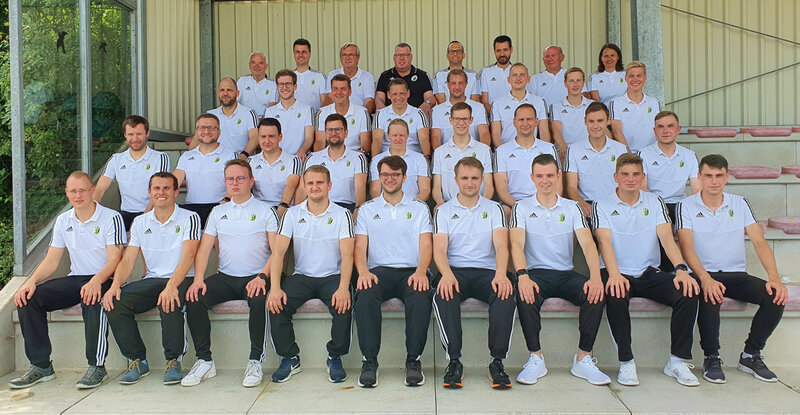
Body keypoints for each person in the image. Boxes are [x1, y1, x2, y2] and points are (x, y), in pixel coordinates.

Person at [676, 154, 787, 384]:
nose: (714, 181)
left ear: (727, 176)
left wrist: (774, 277)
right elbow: (686, 247)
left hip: (736, 274)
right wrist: (705, 278)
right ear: (699, 177)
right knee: (709, 293)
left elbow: (759, 242)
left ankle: (750, 355)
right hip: (702, 273)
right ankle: (712, 357)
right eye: (708, 176)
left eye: (719, 176)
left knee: (775, 296)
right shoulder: (685, 206)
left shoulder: (740, 202)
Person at [593, 153, 700, 387]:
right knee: (616, 294)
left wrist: (681, 269)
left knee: (688, 291)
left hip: (648, 272)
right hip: (616, 271)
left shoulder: (655, 201)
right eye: (625, 174)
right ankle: (626, 362)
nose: (630, 179)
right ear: (615, 177)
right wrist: (614, 275)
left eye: (636, 174)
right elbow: (604, 242)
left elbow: (667, 238)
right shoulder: (602, 204)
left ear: (643, 177)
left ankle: (677, 361)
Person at [11, 171, 125, 390]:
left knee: (92, 298)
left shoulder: (111, 217)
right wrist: (31, 281)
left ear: (93, 191)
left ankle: (97, 366)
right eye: (73, 191)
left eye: (83, 190)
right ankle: (41, 365)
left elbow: (115, 259)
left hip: (105, 278)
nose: (78, 195)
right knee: (29, 298)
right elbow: (52, 260)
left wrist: (96, 280)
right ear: (66, 193)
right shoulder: (63, 220)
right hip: (76, 279)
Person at [511, 154, 610, 386]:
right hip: (535, 273)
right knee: (525, 294)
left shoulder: (572, 207)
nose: (545, 180)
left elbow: (588, 244)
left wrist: (596, 277)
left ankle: (583, 359)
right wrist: (522, 275)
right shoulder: (521, 207)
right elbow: (516, 243)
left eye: (549, 175)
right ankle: (536, 358)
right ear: (532, 178)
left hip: (565, 273)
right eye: (539, 176)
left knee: (595, 293)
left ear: (558, 176)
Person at [183, 159, 279, 388]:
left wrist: (262, 277)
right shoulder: (218, 212)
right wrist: (198, 279)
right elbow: (204, 250)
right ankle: (205, 361)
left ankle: (255, 361)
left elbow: (278, 252)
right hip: (226, 277)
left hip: (256, 276)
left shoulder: (266, 211)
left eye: (240, 178)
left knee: (259, 301)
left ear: (251, 181)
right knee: (194, 297)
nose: (235, 183)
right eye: (230, 179)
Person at [103, 172, 201, 385]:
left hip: (182, 278)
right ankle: (138, 360)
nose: (161, 192)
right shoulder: (140, 222)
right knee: (115, 302)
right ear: (149, 192)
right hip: (153, 278)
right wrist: (115, 285)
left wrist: (172, 285)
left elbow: (189, 255)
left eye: (166, 188)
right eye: (156, 188)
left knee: (169, 300)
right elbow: (128, 260)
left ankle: (173, 360)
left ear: (176, 191)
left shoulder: (190, 217)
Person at [432, 157, 515, 389]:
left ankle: (497, 362)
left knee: (505, 293)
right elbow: (439, 249)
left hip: (487, 271)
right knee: (444, 293)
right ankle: (454, 362)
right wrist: (446, 274)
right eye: (465, 178)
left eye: (475, 178)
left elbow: (501, 245)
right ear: (456, 180)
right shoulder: (443, 211)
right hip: (454, 271)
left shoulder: (495, 209)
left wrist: (501, 274)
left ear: (482, 180)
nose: (470, 183)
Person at [267, 165, 355, 383]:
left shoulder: (343, 214)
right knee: (276, 304)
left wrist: (343, 288)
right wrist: (275, 288)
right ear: (304, 187)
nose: (315, 187)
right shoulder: (292, 214)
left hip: (332, 275)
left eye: (320, 182)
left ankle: (335, 356)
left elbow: (348, 255)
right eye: (310, 183)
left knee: (344, 304)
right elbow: (278, 252)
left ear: (329, 185)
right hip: (302, 276)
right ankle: (290, 357)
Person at [354, 155, 434, 388]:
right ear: (379, 177)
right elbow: (359, 247)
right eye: (385, 174)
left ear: (404, 177)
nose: (390, 179)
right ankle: (369, 361)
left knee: (420, 296)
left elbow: (426, 244)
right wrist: (363, 272)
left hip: (411, 271)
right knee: (365, 295)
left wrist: (422, 271)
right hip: (378, 272)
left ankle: (413, 360)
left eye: (395, 175)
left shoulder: (419, 208)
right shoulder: (367, 209)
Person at [639, 110, 701, 272]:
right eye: (660, 127)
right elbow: (642, 187)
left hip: (680, 204)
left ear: (678, 129)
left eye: (670, 126)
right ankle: (670, 270)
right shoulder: (643, 154)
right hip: (653, 203)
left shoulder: (689, 155)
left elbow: (697, 190)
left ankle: (695, 269)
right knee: (661, 222)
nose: (665, 131)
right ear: (655, 131)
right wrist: (659, 205)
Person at [94, 115, 170, 231]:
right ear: (125, 135)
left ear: (147, 133)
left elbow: (160, 192)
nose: (135, 139)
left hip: (153, 214)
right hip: (126, 215)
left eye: (139, 134)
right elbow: (99, 190)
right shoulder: (116, 159)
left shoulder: (160, 158)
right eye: (130, 134)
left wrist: (141, 221)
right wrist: (90, 214)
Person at [564, 102, 629, 218]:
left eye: (600, 121)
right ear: (585, 121)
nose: (595, 126)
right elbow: (571, 187)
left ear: (608, 121)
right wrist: (583, 204)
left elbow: (626, 183)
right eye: (591, 121)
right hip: (587, 206)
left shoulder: (621, 149)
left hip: (616, 204)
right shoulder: (573, 150)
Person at [494, 104, 561, 216]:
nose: (525, 123)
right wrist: (521, 208)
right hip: (514, 204)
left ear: (536, 121)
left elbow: (558, 184)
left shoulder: (549, 148)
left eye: (529, 119)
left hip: (545, 203)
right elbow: (502, 191)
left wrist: (544, 205)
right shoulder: (502, 151)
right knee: (504, 211)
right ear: (514, 122)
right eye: (521, 120)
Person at [173, 114, 238, 227]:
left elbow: (235, 184)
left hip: (220, 208)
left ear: (219, 132)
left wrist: (226, 201)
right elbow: (173, 183)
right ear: (197, 132)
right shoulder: (186, 157)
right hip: (191, 210)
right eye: (202, 128)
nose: (206, 131)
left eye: (211, 128)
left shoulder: (231, 155)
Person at [432, 102, 493, 205]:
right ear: (450, 120)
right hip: (448, 206)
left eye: (465, 119)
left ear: (471, 120)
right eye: (457, 119)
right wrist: (440, 203)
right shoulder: (439, 152)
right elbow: (437, 187)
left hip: (478, 206)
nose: (461, 123)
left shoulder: (485, 150)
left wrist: (481, 206)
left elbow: (489, 186)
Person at [305, 114, 369, 212]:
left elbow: (360, 190)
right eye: (330, 130)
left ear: (346, 133)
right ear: (325, 133)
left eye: (338, 129)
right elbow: (302, 189)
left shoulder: (358, 158)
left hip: (347, 208)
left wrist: (356, 212)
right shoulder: (313, 158)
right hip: (318, 208)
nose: (333, 133)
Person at [249, 118, 303, 218]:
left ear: (280, 137)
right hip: (257, 212)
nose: (267, 141)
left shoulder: (294, 160)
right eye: (263, 136)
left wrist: (281, 210)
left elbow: (291, 186)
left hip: (283, 210)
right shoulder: (251, 161)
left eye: (271, 136)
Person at [195, 77, 260, 156]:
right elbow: (196, 141)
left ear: (237, 93)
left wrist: (243, 156)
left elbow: (255, 138)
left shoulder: (249, 113)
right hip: (214, 160)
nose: (225, 93)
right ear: (218, 93)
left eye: (229, 90)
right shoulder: (210, 115)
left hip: (240, 161)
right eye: (222, 90)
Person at [370, 119, 430, 201]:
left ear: (408, 136)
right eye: (394, 135)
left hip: (413, 206)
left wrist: (410, 206)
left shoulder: (420, 159)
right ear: (388, 136)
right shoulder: (376, 160)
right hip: (385, 207)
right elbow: (375, 192)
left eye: (402, 135)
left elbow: (425, 191)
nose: (398, 139)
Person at [490, 63, 549, 147]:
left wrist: (543, 151)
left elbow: (544, 132)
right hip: (507, 151)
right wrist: (503, 152)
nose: (518, 78)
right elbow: (496, 134)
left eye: (522, 75)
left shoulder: (539, 102)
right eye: (514, 75)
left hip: (533, 150)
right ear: (508, 80)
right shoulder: (497, 103)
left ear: (528, 79)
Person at [262, 69, 315, 159]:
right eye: (281, 84)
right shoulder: (270, 112)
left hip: (298, 158)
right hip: (277, 159)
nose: (284, 87)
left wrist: (301, 151)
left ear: (295, 86)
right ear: (277, 87)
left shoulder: (307, 110)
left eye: (288, 84)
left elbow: (309, 138)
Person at [430, 69, 490, 148]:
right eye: (453, 83)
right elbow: (435, 138)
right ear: (448, 85)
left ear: (466, 84)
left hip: (473, 153)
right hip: (447, 154)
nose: (457, 87)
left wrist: (482, 152)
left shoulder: (479, 108)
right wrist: (442, 154)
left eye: (460, 83)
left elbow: (484, 134)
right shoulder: (437, 111)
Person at [372, 78, 431, 157]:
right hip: (387, 159)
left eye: (402, 93)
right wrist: (374, 161)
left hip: (413, 158)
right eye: (395, 94)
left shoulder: (419, 113)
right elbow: (377, 140)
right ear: (388, 95)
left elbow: (424, 140)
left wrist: (427, 160)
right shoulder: (380, 114)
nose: (398, 97)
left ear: (408, 93)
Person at [609, 61, 660, 152]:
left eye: (639, 76)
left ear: (645, 78)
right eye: (631, 76)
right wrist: (629, 155)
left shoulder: (654, 102)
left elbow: (659, 129)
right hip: (627, 154)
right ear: (626, 78)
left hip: (651, 154)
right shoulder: (615, 103)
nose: (635, 79)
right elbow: (617, 132)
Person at [315, 74, 371, 152]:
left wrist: (352, 156)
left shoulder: (362, 112)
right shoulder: (322, 112)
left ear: (350, 92)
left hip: (354, 155)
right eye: (335, 89)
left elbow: (366, 144)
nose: (339, 92)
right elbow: (319, 143)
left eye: (343, 89)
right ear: (331, 91)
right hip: (329, 156)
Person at [375, 43, 435, 115]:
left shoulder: (422, 75)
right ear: (394, 58)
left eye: (405, 55)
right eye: (398, 55)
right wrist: (380, 106)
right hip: (391, 116)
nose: (402, 58)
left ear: (411, 57)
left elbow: (430, 96)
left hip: (416, 116)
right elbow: (379, 97)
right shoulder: (384, 76)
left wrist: (427, 103)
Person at [550, 68, 593, 160]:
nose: (575, 84)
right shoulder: (556, 106)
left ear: (583, 83)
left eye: (578, 80)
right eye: (571, 81)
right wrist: (563, 146)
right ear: (565, 83)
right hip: (565, 150)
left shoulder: (593, 105)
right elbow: (556, 130)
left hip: (589, 150)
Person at [527, 45, 586, 113]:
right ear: (543, 59)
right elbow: (530, 101)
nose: (550, 59)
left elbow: (584, 96)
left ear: (562, 58)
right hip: (544, 116)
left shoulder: (572, 76)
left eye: (553, 55)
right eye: (547, 56)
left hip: (570, 114)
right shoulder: (535, 79)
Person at [325, 43, 376, 114]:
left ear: (358, 58)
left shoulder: (367, 77)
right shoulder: (333, 75)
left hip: (359, 115)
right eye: (344, 55)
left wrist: (364, 116)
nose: (347, 58)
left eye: (351, 55)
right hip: (337, 116)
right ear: (340, 58)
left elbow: (369, 101)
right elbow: (330, 98)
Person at [237, 51, 278, 116]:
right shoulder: (242, 81)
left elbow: (273, 108)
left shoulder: (273, 84)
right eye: (253, 62)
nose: (256, 66)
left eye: (261, 63)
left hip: (265, 120)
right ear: (249, 65)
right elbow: (233, 102)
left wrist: (261, 120)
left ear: (266, 66)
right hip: (245, 118)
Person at [480, 35, 513, 114]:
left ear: (511, 50)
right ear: (494, 51)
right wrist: (496, 117)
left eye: (505, 50)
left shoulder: (518, 72)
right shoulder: (486, 72)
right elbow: (485, 102)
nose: (502, 54)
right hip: (494, 117)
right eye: (498, 50)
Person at [292, 38, 326, 111]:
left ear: (310, 54)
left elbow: (324, 101)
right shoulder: (288, 77)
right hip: (292, 117)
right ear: (294, 54)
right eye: (297, 52)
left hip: (314, 117)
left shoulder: (320, 76)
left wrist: (317, 115)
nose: (301, 55)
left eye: (304, 52)